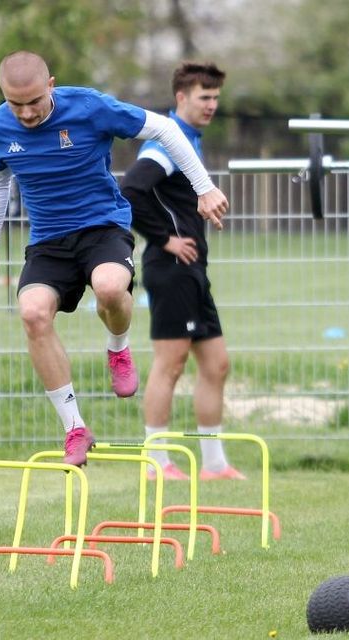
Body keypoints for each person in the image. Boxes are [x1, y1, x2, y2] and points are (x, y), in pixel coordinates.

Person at [0, 51, 228, 467]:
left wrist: (204, 187)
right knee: (32, 313)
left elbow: (165, 129)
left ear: (50, 85)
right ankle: (75, 427)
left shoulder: (89, 107)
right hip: (48, 240)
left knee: (109, 288)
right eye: (15, 104)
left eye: (34, 101)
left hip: (102, 227)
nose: (27, 113)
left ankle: (118, 348)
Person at [120, 62, 243, 482]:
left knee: (217, 364)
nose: (211, 105)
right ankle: (156, 462)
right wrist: (164, 238)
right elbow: (130, 189)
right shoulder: (167, 142)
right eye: (203, 97)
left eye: (215, 98)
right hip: (170, 267)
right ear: (181, 98)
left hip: (192, 270)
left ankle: (214, 465)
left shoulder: (190, 139)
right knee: (169, 364)